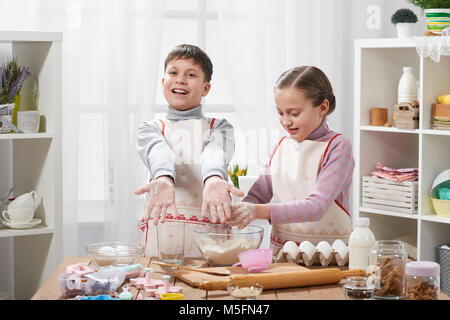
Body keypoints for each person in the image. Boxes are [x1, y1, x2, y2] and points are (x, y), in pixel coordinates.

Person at [229, 66, 354, 255]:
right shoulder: (281, 146)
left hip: (330, 256)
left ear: (323, 107)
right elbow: (259, 193)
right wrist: (238, 211)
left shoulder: (338, 146)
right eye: (280, 113)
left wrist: (256, 211)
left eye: (294, 114)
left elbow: (316, 207)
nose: (286, 121)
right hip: (283, 254)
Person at [136, 44, 243, 258]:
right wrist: (164, 179)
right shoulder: (150, 128)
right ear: (163, 81)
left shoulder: (220, 127)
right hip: (163, 233)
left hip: (209, 237)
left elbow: (214, 153)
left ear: (205, 88)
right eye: (173, 73)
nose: (180, 79)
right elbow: (159, 152)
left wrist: (213, 179)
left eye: (191, 74)